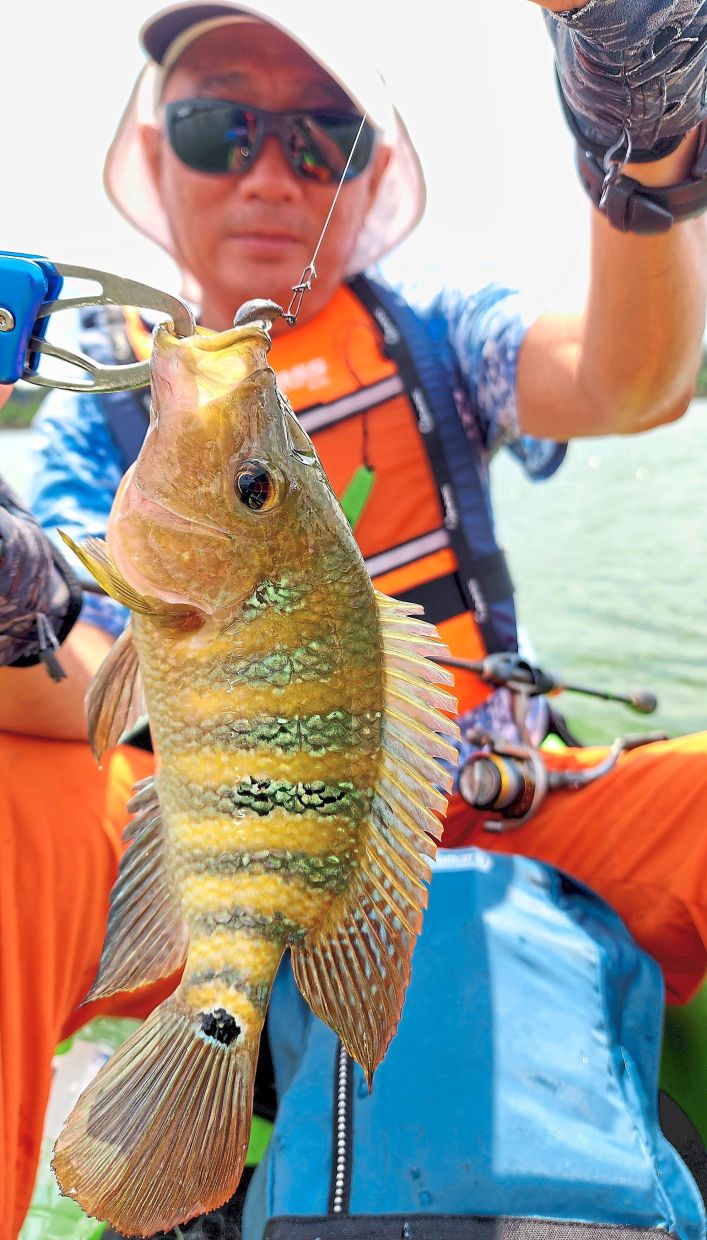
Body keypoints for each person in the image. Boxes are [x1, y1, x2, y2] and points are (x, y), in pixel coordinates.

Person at [1, 0, 707, 1234]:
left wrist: (642, 150)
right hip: (209, 847)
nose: (273, 171)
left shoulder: (431, 332)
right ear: (156, 156)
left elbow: (629, 378)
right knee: (17, 802)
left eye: (320, 134)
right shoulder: (91, 411)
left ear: (365, 171)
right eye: (221, 126)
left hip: (495, 804)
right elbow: (89, 684)